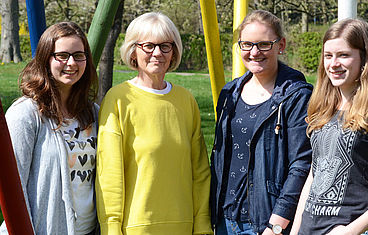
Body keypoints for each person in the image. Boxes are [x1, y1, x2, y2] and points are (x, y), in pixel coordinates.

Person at [95, 12, 212, 235]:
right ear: (133, 51)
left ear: (173, 51)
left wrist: (202, 224)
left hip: (184, 227)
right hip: (136, 228)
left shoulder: (186, 100)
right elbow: (109, 174)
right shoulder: (118, 99)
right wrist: (111, 228)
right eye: (148, 46)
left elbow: (200, 172)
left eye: (165, 46)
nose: (157, 53)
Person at [290, 18, 368, 235]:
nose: (333, 64)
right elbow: (314, 176)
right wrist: (296, 230)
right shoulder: (322, 109)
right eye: (328, 56)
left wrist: (351, 231)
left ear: (364, 58)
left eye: (343, 55)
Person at [210, 10, 313, 235]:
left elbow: (302, 165)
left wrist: (276, 225)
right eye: (246, 44)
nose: (254, 52)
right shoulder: (229, 93)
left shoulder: (296, 96)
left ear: (281, 45)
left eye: (264, 44)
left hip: (265, 224)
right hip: (224, 222)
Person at [1, 22, 99, 235]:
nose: (71, 63)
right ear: (46, 58)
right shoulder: (26, 114)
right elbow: (13, 187)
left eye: (79, 55)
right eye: (62, 55)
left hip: (89, 230)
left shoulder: (93, 113)